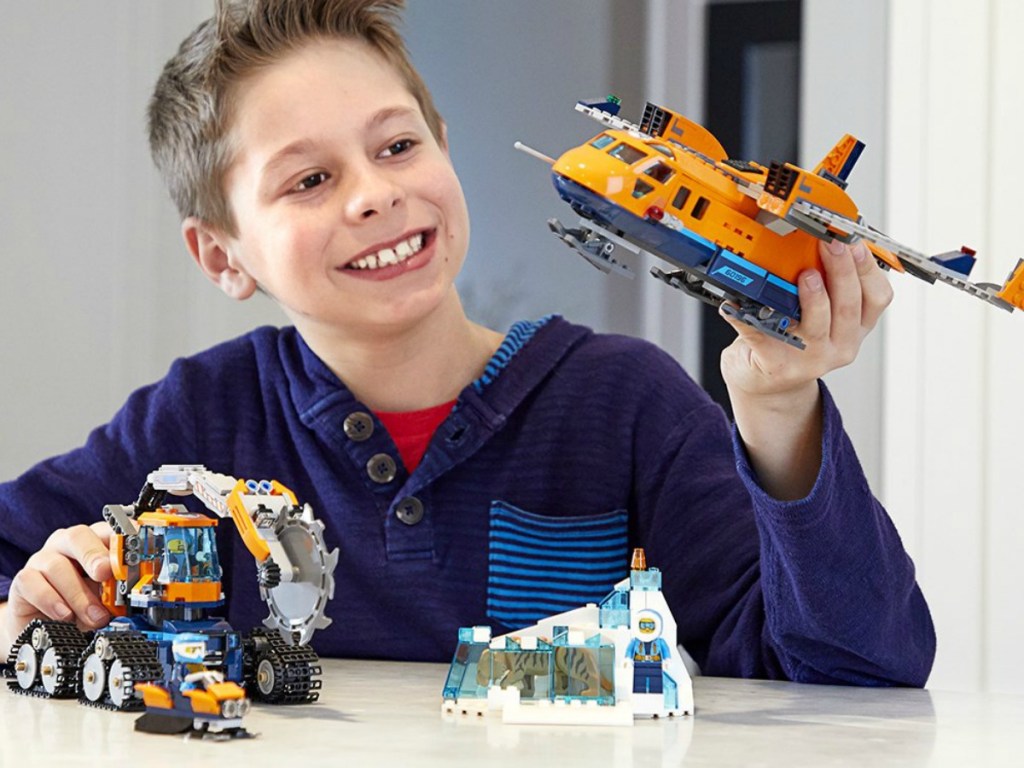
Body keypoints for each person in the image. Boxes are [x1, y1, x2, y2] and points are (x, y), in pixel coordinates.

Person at [0, 0, 934, 685]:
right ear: (221, 253)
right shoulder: (196, 421)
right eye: (310, 179)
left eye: (397, 147)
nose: (373, 193)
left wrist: (780, 407)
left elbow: (857, 672)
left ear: (444, 146)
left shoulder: (628, 403)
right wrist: (37, 594)